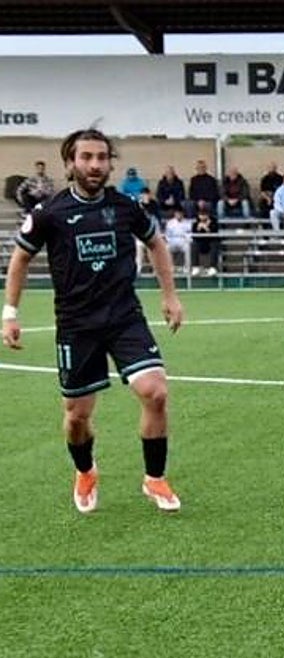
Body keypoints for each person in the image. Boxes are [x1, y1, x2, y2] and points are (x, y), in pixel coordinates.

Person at [2, 128, 185, 513]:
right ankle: (85, 470)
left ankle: (154, 479)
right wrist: (10, 314)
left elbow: (156, 242)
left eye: (102, 157)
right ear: (70, 163)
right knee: (76, 417)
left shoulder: (125, 206)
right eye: (87, 157)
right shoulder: (49, 213)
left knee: (156, 391)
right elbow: (20, 259)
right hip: (76, 325)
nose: (95, 165)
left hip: (124, 318)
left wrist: (170, 296)